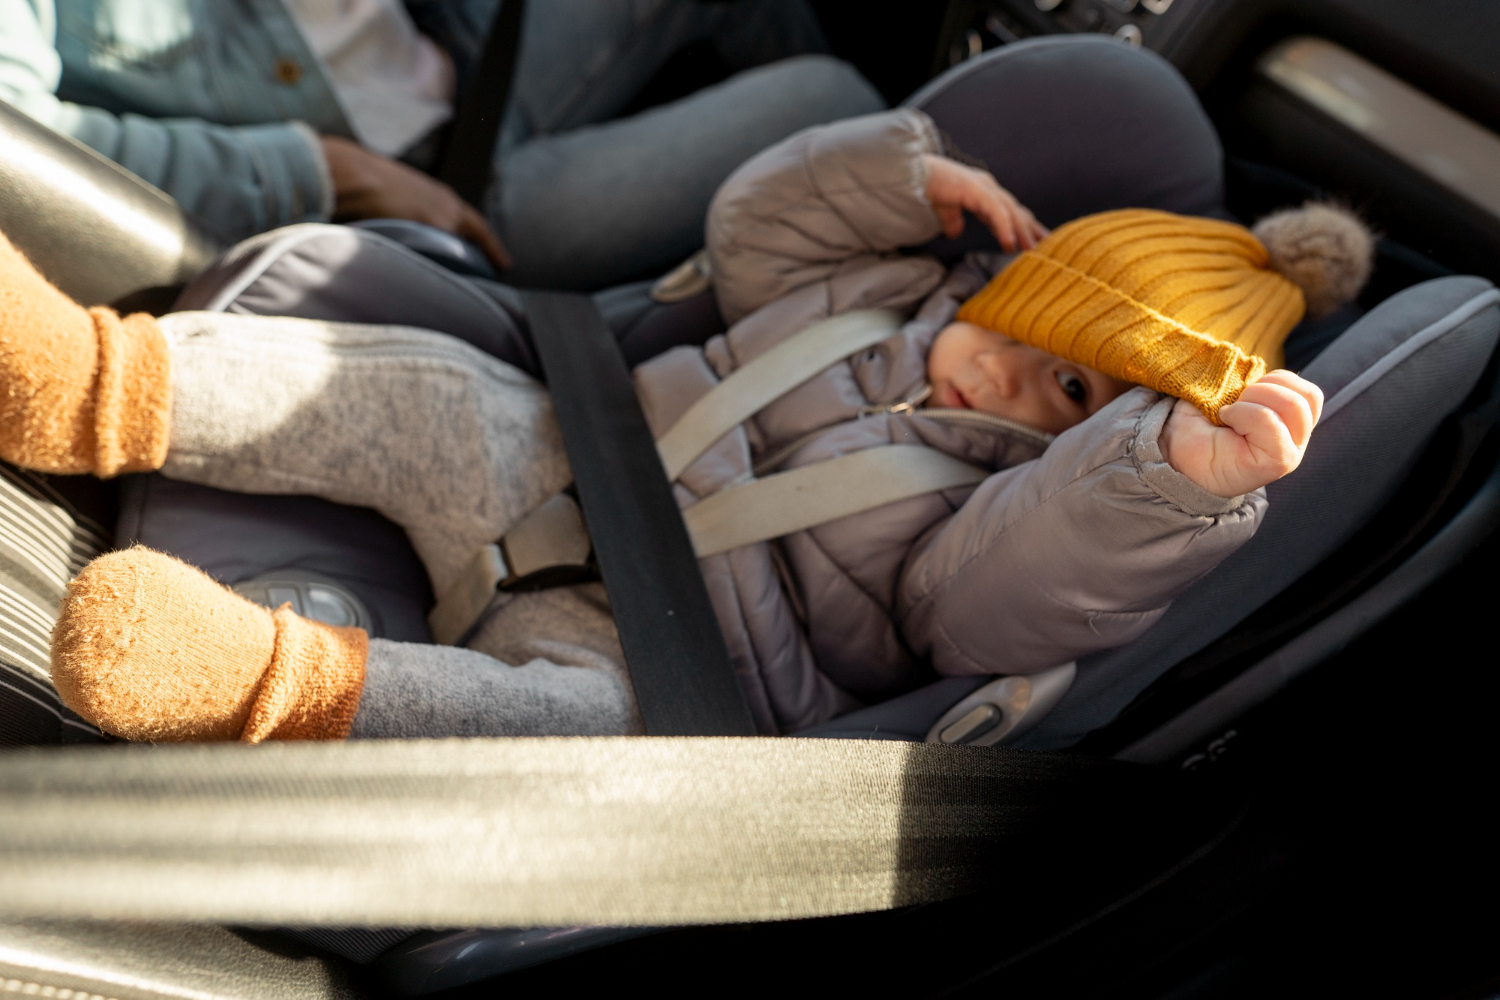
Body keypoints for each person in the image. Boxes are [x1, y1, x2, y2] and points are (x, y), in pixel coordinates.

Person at [0, 109, 1368, 743]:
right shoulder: (885, 286)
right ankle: (87, 381)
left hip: (671, 657)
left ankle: (267, 676)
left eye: (1070, 391)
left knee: (571, 729)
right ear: (992, 275)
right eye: (1013, 327)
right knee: (408, 386)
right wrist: (894, 175)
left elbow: (1025, 589)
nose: (1005, 376)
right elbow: (749, 235)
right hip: (562, 448)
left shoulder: (999, 516)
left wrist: (1165, 476)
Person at [0, 0, 884, 287]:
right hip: (430, 202)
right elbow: (21, 147)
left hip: (465, 59)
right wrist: (326, 173)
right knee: (837, 103)